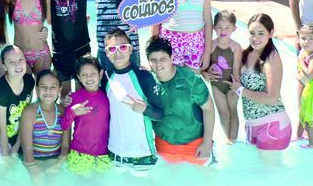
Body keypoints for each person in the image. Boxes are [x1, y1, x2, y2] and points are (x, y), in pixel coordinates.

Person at [146, 35, 215, 164]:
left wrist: (206, 143)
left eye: (163, 59)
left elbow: (209, 109)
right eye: (153, 60)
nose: (158, 64)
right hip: (164, 146)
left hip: (196, 144)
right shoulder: (147, 82)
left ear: (172, 58)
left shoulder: (190, 79)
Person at [103, 28, 163, 168]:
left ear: (131, 49)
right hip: (115, 150)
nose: (118, 52)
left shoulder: (144, 77)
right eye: (112, 49)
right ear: (106, 53)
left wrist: (145, 109)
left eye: (123, 47)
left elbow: (160, 114)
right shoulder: (105, 77)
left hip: (142, 152)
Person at [236, 14, 291, 151]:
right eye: (252, 33)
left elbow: (272, 98)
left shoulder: (272, 58)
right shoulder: (245, 54)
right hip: (252, 126)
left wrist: (240, 90)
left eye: (261, 33)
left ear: (271, 33)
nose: (255, 38)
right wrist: (207, 73)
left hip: (273, 126)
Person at [0, 45, 35, 158]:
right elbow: (1, 129)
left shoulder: (29, 81)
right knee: (3, 166)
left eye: (21, 60)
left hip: (16, 137)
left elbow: (25, 118)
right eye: (11, 62)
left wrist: (17, 146)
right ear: (4, 67)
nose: (18, 65)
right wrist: (6, 158)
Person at [62, 57, 112, 174]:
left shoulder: (108, 96)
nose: (89, 78)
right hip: (78, 153)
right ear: (79, 77)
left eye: (93, 74)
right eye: (84, 75)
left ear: (100, 74)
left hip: (103, 155)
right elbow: (64, 126)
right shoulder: (74, 98)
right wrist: (72, 112)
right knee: (79, 184)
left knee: (102, 185)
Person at [5, 0, 52, 73]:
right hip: (19, 55)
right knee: (24, 86)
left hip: (41, 53)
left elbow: (50, 20)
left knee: (44, 85)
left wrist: (45, 29)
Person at [203, 10, 242, 144]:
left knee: (233, 112)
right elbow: (203, 67)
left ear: (234, 29)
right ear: (214, 28)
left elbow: (236, 69)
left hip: (232, 84)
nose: (223, 31)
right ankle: (228, 138)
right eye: (219, 27)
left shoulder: (236, 47)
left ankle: (234, 139)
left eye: (227, 27)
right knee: (223, 113)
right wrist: (205, 74)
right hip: (216, 85)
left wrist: (236, 88)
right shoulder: (211, 45)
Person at [20, 70, 70, 166]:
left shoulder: (63, 112)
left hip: (55, 159)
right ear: (36, 89)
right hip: (34, 159)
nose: (48, 91)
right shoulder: (29, 113)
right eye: (43, 87)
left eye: (53, 87)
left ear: (60, 89)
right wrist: (33, 168)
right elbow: (27, 149)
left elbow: (65, 147)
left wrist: (57, 166)